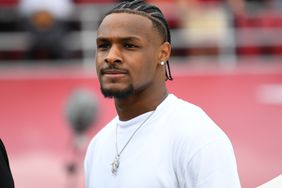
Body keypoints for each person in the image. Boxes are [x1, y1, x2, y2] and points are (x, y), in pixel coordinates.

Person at [84, 0, 241, 187]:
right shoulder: (97, 146)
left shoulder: (197, 137)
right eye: (103, 46)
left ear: (163, 53)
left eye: (129, 45)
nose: (111, 56)